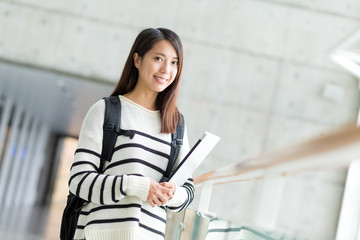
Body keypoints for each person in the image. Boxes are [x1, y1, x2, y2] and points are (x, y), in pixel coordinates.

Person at [68, 28, 194, 240]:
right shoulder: (106, 110)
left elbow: (188, 190)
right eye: (158, 58)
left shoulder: (176, 124)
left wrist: (172, 193)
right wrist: (137, 186)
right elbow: (79, 181)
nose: (166, 69)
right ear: (137, 60)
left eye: (174, 63)